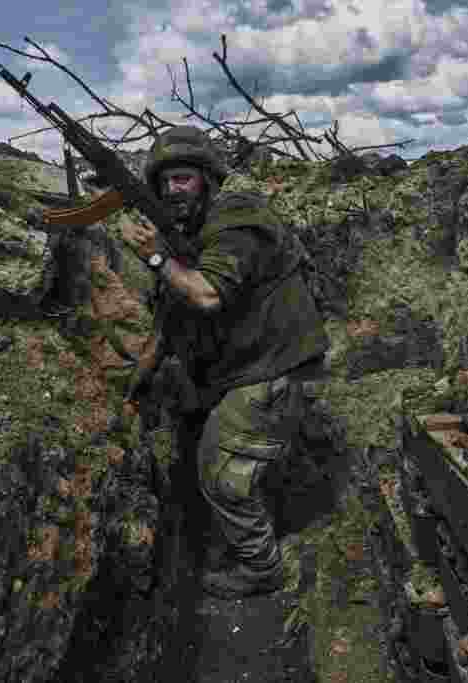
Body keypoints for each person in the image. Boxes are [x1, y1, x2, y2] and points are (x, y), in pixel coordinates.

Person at [120, 126, 331, 599]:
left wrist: (155, 258)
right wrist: (139, 379)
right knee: (209, 437)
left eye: (184, 179)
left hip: (276, 366)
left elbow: (207, 295)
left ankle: (260, 567)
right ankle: (258, 509)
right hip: (251, 364)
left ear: (207, 181)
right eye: (166, 182)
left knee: (219, 473)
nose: (174, 190)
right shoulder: (188, 238)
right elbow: (171, 315)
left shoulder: (237, 218)